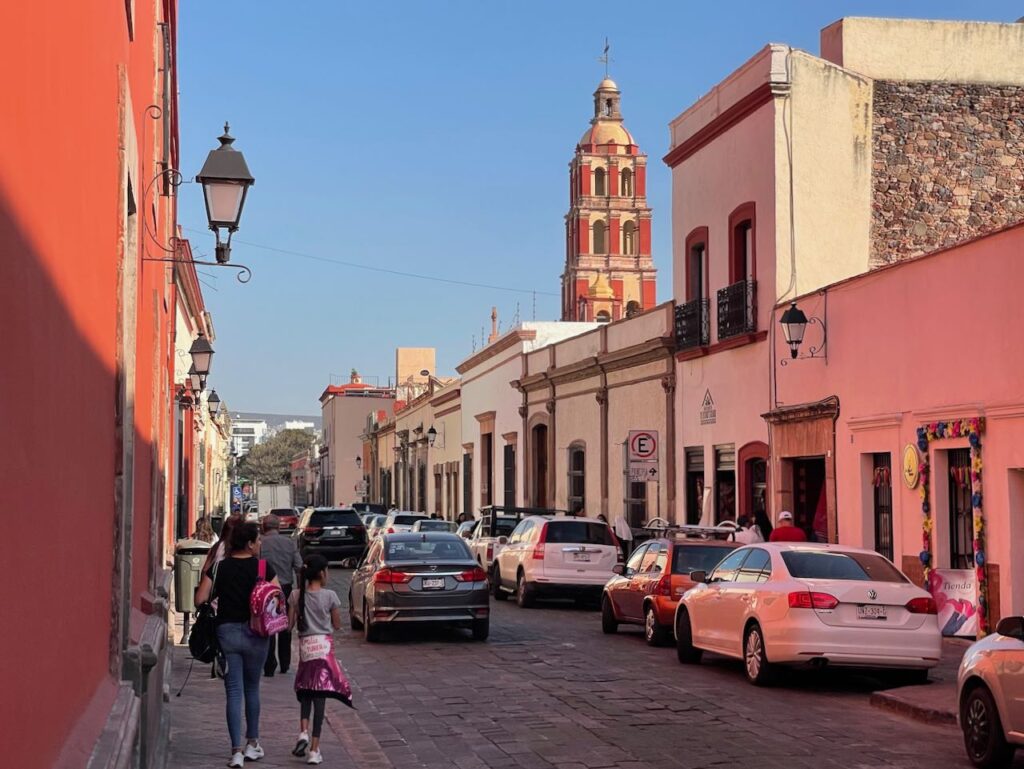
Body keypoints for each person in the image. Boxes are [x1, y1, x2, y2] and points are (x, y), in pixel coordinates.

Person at [194, 522, 280, 768]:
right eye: (258, 540)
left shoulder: (220, 568)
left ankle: (236, 751)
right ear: (250, 543)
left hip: (227, 633)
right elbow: (277, 596)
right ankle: (253, 743)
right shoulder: (263, 567)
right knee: (252, 689)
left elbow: (200, 598)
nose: (260, 544)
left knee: (233, 692)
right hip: (257, 634)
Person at [289, 554, 352, 765]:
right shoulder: (330, 596)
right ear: (323, 573)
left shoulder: (296, 595)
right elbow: (337, 624)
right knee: (320, 699)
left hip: (306, 651)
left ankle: (303, 732)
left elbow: (289, 625)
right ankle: (314, 750)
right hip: (324, 651)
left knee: (305, 692)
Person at [260, 514, 302, 677]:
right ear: (279, 527)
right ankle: (285, 663)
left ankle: (269, 664)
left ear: (264, 527)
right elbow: (298, 566)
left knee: (268, 626)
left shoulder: (260, 543)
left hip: (266, 589)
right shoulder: (289, 543)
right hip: (285, 588)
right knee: (285, 625)